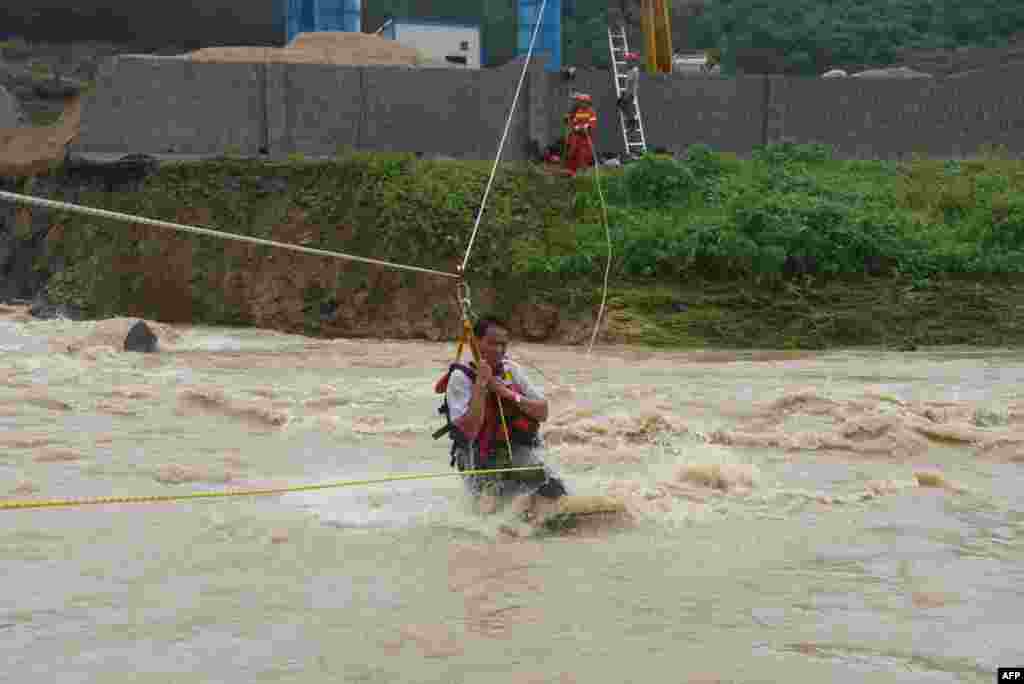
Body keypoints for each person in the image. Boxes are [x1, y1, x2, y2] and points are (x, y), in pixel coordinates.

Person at [434, 316, 568, 511]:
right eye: (492, 343)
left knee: (550, 485)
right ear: (477, 342)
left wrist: (507, 393)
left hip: (513, 448)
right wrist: (480, 385)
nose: (498, 349)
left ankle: (556, 510)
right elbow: (469, 430)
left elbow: (543, 412)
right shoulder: (460, 377)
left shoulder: (511, 370)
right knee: (490, 508)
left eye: (503, 344)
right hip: (475, 454)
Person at [563, 93, 597, 176]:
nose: (581, 104)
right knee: (572, 151)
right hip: (576, 135)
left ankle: (584, 171)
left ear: (587, 102)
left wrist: (586, 126)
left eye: (583, 102)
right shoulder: (578, 111)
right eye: (580, 102)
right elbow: (573, 121)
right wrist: (572, 124)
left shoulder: (591, 112)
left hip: (585, 136)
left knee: (584, 154)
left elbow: (592, 123)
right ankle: (571, 170)